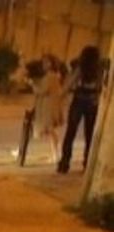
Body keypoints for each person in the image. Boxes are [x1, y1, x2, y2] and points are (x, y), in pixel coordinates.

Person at [57, 46, 103, 174]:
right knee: (90, 135)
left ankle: (64, 163)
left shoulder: (80, 69)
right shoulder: (99, 70)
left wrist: (59, 98)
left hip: (78, 101)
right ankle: (87, 164)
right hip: (93, 103)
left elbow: (68, 85)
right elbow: (102, 88)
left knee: (70, 133)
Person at [30, 54, 65, 164]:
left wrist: (32, 84)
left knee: (49, 131)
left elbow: (42, 90)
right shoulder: (55, 76)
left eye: (45, 62)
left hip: (48, 108)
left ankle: (56, 154)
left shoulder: (50, 76)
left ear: (50, 64)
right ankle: (55, 154)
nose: (43, 65)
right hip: (50, 106)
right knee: (48, 131)